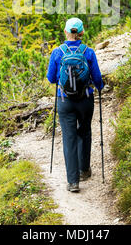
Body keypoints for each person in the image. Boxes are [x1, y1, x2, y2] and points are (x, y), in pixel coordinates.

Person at [46, 17, 104, 193]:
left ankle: (73, 182)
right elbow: (98, 79)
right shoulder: (88, 52)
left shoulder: (57, 52)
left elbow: (50, 78)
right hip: (85, 100)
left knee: (69, 139)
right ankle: (84, 170)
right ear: (81, 33)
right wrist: (99, 88)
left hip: (65, 101)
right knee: (84, 132)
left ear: (65, 32)